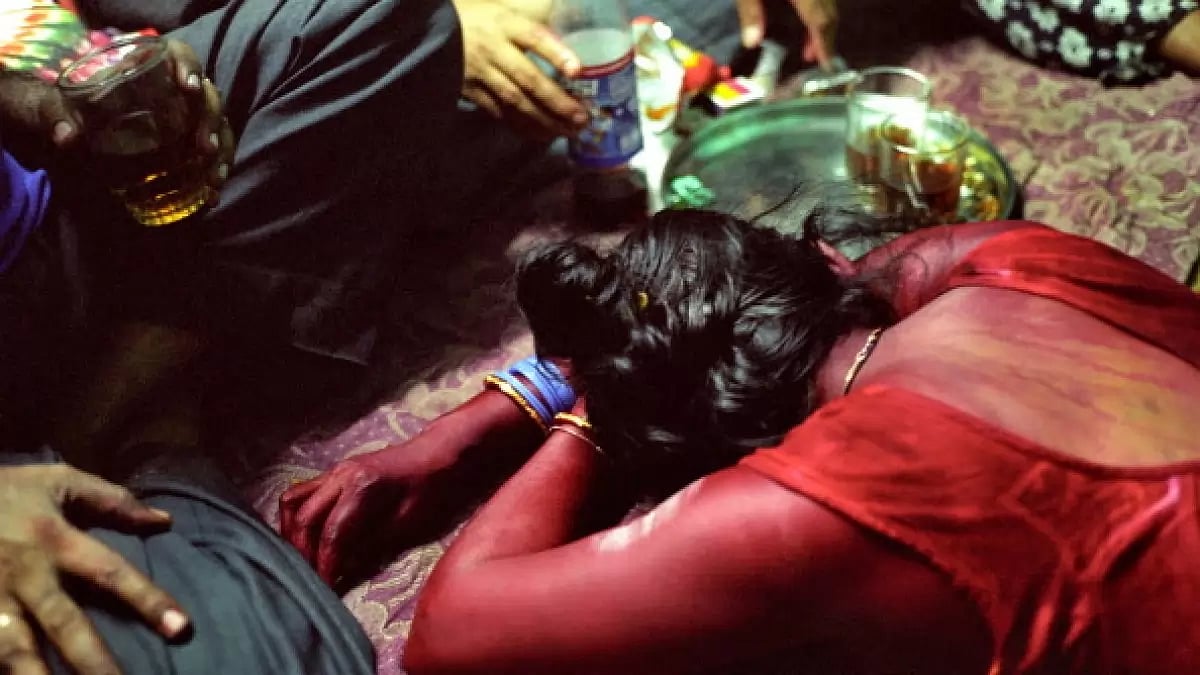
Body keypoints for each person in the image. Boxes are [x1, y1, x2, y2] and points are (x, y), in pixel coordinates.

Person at [282, 206, 1200, 674]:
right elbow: (774, 279)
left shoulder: (818, 499)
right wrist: (485, 416)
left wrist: (593, 409)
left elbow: (453, 634)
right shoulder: (1004, 257)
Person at [0, 0, 462, 462]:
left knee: (387, 16)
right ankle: (94, 427)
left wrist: (27, 101)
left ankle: (167, 339)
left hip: (36, 173)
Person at [0, 145, 372, 674]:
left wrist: (39, 81)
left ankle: (118, 399)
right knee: (247, 657)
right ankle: (159, 437)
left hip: (41, 206)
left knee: (361, 61)